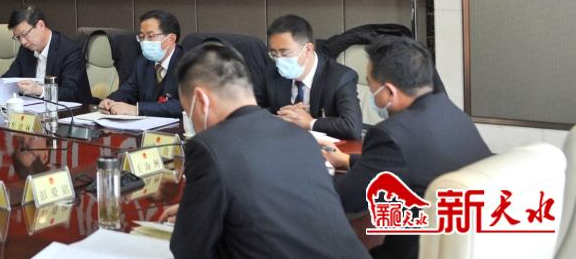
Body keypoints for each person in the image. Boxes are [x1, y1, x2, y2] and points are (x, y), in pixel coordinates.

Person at [160, 42, 369, 259]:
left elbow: (189, 250)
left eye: (188, 111)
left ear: (201, 100)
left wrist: (193, 221)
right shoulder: (302, 137)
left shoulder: (208, 147)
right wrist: (200, 211)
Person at [321, 36, 491, 259]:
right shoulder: (452, 112)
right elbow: (414, 163)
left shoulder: (390, 134)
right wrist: (348, 160)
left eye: (370, 86)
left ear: (389, 92)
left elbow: (345, 199)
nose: (370, 94)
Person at [257, 14, 362, 140]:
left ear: (308, 49)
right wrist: (279, 118)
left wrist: (310, 122)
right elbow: (252, 112)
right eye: (274, 54)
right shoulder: (271, 72)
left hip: (328, 148)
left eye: (285, 53)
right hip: (284, 143)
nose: (279, 61)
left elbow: (352, 127)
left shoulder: (340, 77)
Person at [0, 5, 92, 104]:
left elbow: (72, 93)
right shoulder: (26, 50)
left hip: (71, 114)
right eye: (18, 37)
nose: (23, 42)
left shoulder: (70, 50)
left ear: (40, 25)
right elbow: (11, 76)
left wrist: (39, 90)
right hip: (33, 111)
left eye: (25, 34)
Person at [98, 9, 183, 117]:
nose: (145, 42)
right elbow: (128, 91)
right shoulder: (142, 62)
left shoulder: (189, 65)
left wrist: (136, 109)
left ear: (171, 39)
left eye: (150, 36)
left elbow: (185, 105)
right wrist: (109, 101)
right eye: (142, 37)